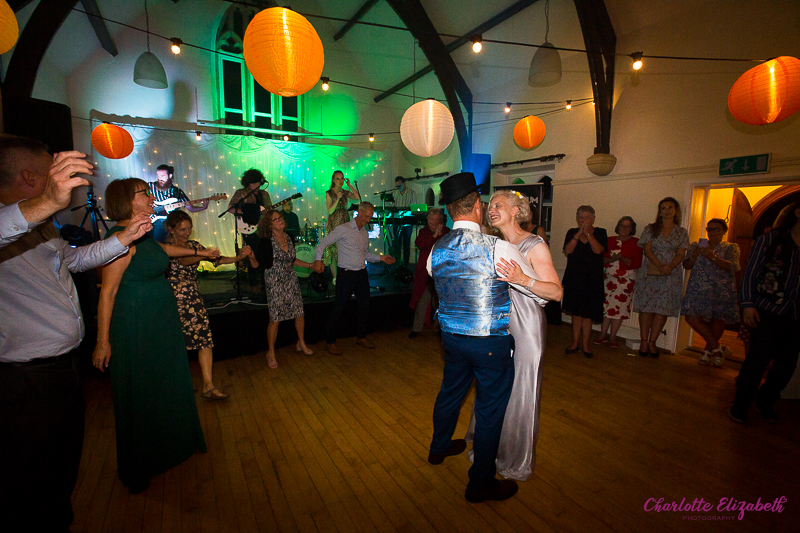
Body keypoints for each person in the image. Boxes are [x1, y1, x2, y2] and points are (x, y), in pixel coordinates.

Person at [0, 136, 150, 532]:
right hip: (23, 380)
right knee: (26, 483)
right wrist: (48, 201)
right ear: (31, 176)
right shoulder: (11, 220)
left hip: (63, 369)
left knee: (61, 472)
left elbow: (77, 259)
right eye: (53, 169)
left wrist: (125, 236)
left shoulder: (45, 229)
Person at [426, 172, 546, 503]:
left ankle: (438, 448)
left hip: (451, 338)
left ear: (450, 210)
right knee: (490, 410)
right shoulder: (499, 247)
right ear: (477, 206)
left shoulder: (435, 250)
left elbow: (436, 281)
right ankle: (479, 484)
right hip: (489, 343)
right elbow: (536, 292)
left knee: (450, 392)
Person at [93, 178, 218, 494]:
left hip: (160, 321)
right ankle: (137, 466)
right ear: (127, 200)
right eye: (144, 194)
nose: (151, 198)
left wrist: (200, 252)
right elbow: (107, 291)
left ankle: (172, 449)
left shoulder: (144, 234)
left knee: (165, 386)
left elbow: (162, 249)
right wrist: (102, 342)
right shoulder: (118, 238)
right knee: (141, 393)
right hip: (137, 323)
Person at [464, 189, 563, 481]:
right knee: (492, 389)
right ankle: (489, 450)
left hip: (526, 324)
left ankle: (514, 458)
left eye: (498, 205)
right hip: (497, 323)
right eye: (489, 205)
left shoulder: (535, 245)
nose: (491, 209)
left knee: (521, 392)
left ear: (517, 210)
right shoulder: (493, 244)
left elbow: (556, 292)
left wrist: (523, 279)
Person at [164, 210, 253, 399]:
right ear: (170, 229)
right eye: (182, 229)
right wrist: (202, 253)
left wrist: (238, 258)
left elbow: (217, 260)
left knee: (204, 340)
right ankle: (179, 383)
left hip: (193, 299)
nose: (186, 233)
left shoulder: (194, 246)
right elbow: (185, 259)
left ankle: (208, 385)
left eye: (189, 229)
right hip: (171, 301)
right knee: (175, 344)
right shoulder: (164, 248)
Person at [730, 203, 800, 424]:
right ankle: (740, 405)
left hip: (796, 314)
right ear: (798, 213)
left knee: (786, 364)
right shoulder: (769, 240)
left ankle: (765, 401)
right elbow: (751, 273)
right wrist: (748, 304)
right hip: (767, 310)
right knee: (757, 360)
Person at [312, 201, 395, 355]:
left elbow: (366, 254)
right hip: (346, 274)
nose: (368, 220)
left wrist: (381, 258)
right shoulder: (343, 229)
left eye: (370, 217)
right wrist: (318, 259)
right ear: (359, 211)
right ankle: (330, 342)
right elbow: (323, 242)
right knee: (339, 307)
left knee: (365, 306)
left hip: (361, 274)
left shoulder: (364, 233)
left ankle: (361, 337)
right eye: (366, 216)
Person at [248, 209, 315, 368]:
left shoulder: (289, 237)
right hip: (274, 281)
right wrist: (251, 257)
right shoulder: (266, 242)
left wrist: (310, 265)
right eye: (275, 219)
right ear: (269, 225)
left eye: (280, 218)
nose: (280, 220)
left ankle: (301, 343)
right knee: (275, 319)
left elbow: (292, 260)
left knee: (299, 313)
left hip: (291, 279)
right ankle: (270, 352)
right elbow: (257, 265)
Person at [632, 197, 689, 357]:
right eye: (663, 208)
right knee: (646, 308)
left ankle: (652, 342)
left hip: (670, 275)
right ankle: (644, 341)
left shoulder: (681, 232)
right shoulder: (650, 229)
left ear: (675, 210)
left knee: (661, 310)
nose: (667, 211)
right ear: (660, 211)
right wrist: (660, 265)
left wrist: (669, 267)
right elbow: (647, 250)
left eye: (670, 207)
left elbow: (681, 252)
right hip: (650, 271)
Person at [681, 218, 740, 366]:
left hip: (720, 289)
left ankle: (708, 352)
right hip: (697, 288)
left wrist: (712, 257)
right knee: (691, 317)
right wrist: (694, 255)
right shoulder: (697, 245)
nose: (712, 232)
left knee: (717, 319)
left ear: (724, 231)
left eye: (716, 229)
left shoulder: (730, 248)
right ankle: (718, 348)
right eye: (709, 229)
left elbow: (733, 267)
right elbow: (686, 265)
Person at [562, 205, 608, 358]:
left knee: (588, 314)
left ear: (593, 218)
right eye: (581, 217)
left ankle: (586, 344)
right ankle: (575, 342)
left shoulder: (601, 233)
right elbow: (568, 250)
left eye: (587, 217)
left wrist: (588, 234)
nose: (584, 220)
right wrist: (578, 235)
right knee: (576, 313)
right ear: (577, 219)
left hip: (592, 281)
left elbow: (598, 250)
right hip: (574, 279)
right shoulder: (571, 232)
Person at [594, 216, 643, 349]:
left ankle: (613, 337)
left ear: (631, 229)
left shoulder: (636, 243)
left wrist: (622, 258)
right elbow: (600, 259)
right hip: (607, 279)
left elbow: (636, 263)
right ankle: (602, 334)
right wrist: (612, 259)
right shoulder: (608, 240)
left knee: (619, 310)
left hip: (625, 281)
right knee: (605, 309)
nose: (624, 228)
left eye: (627, 226)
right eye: (622, 225)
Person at [227, 168, 272, 293]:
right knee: (252, 255)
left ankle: (265, 283)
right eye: (253, 183)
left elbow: (268, 211)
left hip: (263, 229)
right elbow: (230, 208)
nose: (256, 186)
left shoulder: (264, 194)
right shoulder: (241, 193)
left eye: (258, 183)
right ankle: (253, 284)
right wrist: (246, 213)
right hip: (249, 228)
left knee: (265, 256)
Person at [409, 208, 449, 338]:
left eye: (435, 219)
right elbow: (420, 244)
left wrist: (440, 234)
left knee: (439, 304)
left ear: (440, 220)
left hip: (441, 273)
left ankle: (439, 329)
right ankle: (416, 329)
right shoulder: (423, 231)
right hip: (425, 274)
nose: (432, 221)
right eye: (430, 219)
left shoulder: (446, 232)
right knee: (422, 301)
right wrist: (434, 236)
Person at [149, 164, 208, 242]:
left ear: (170, 176)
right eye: (158, 176)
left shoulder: (176, 191)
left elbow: (190, 208)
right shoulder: (150, 186)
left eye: (162, 176)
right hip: (152, 220)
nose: (160, 178)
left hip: (170, 222)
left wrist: (203, 207)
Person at [323, 170, 360, 285]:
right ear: (333, 180)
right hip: (334, 223)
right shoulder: (329, 193)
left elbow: (357, 197)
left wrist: (349, 185)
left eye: (342, 178)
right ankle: (335, 277)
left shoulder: (345, 192)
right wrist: (337, 198)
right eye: (338, 178)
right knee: (333, 250)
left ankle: (345, 276)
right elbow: (330, 211)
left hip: (344, 221)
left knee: (345, 249)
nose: (340, 181)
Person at [391, 175, 417, 265]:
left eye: (400, 185)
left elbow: (414, 208)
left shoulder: (411, 193)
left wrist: (405, 213)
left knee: (406, 244)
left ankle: (406, 264)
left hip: (407, 222)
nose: (398, 187)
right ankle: (397, 263)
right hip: (397, 222)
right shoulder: (394, 194)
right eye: (397, 185)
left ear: (404, 183)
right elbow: (393, 208)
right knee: (397, 244)